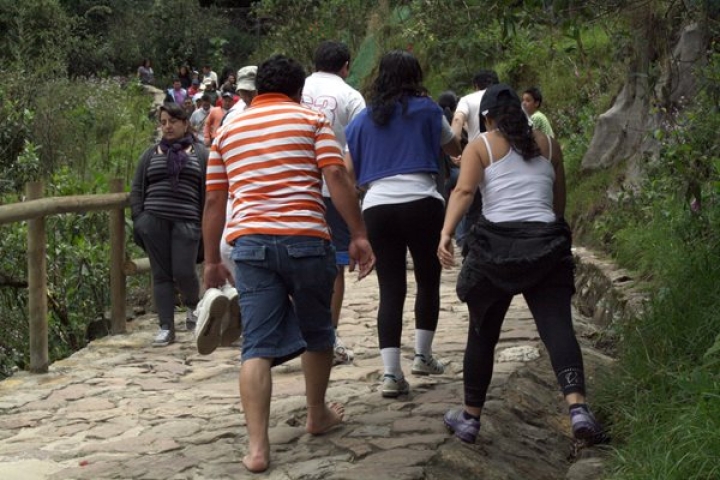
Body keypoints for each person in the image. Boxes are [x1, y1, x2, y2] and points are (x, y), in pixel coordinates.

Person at [202, 54, 375, 473]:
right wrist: (357, 234)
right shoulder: (312, 121)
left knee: (256, 344)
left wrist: (210, 260)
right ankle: (317, 413)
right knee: (318, 331)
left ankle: (258, 448)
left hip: (251, 245)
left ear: (258, 89)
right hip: (306, 240)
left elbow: (213, 199)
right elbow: (336, 177)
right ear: (299, 90)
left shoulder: (227, 129)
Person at [438, 84, 607, 445]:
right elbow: (557, 202)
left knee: (482, 333)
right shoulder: (548, 143)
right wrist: (552, 240)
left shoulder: (479, 145)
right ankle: (578, 408)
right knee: (558, 327)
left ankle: (470, 418)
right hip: (544, 244)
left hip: (494, 249)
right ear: (522, 112)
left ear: (487, 118)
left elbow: (464, 192)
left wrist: (446, 234)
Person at [345, 50, 461, 398]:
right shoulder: (428, 110)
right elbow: (454, 146)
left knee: (390, 289)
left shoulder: (363, 119)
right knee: (427, 280)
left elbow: (349, 171)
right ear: (415, 76)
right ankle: (423, 356)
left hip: (378, 207)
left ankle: (391, 375)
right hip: (422, 202)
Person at [301, 40, 366, 366]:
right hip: (333, 189)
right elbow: (356, 146)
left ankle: (296, 334)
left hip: (296, 188)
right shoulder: (351, 97)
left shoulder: (295, 88)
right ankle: (331, 335)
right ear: (346, 66)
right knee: (336, 265)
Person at [130, 103, 207, 347]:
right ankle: (166, 326)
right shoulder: (150, 154)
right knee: (161, 275)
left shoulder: (200, 154)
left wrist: (206, 222)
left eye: (172, 121)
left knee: (184, 271)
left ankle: (194, 307)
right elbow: (137, 189)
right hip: (153, 222)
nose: (167, 126)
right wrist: (140, 219)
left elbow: (210, 189)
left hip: (187, 221)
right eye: (163, 122)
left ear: (185, 124)